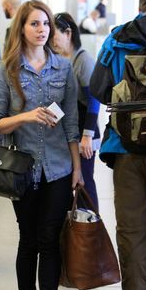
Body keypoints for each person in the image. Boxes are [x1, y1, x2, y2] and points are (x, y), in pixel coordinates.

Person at [0, 0, 83, 290]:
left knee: (50, 240)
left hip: (57, 168)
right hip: (22, 169)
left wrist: (77, 168)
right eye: (34, 24)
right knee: (29, 239)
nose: (42, 30)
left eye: (46, 24)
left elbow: (71, 121)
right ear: (21, 29)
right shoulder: (6, 70)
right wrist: (26, 115)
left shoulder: (63, 68)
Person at [90, 0, 146, 290]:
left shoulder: (118, 38)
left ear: (140, 5)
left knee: (132, 233)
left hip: (127, 150)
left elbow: (98, 89)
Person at [54, 12, 100, 210]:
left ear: (68, 33)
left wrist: (87, 136)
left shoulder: (83, 60)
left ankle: (91, 229)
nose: (51, 42)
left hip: (85, 132)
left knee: (84, 183)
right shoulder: (60, 60)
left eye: (54, 37)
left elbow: (94, 99)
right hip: (69, 131)